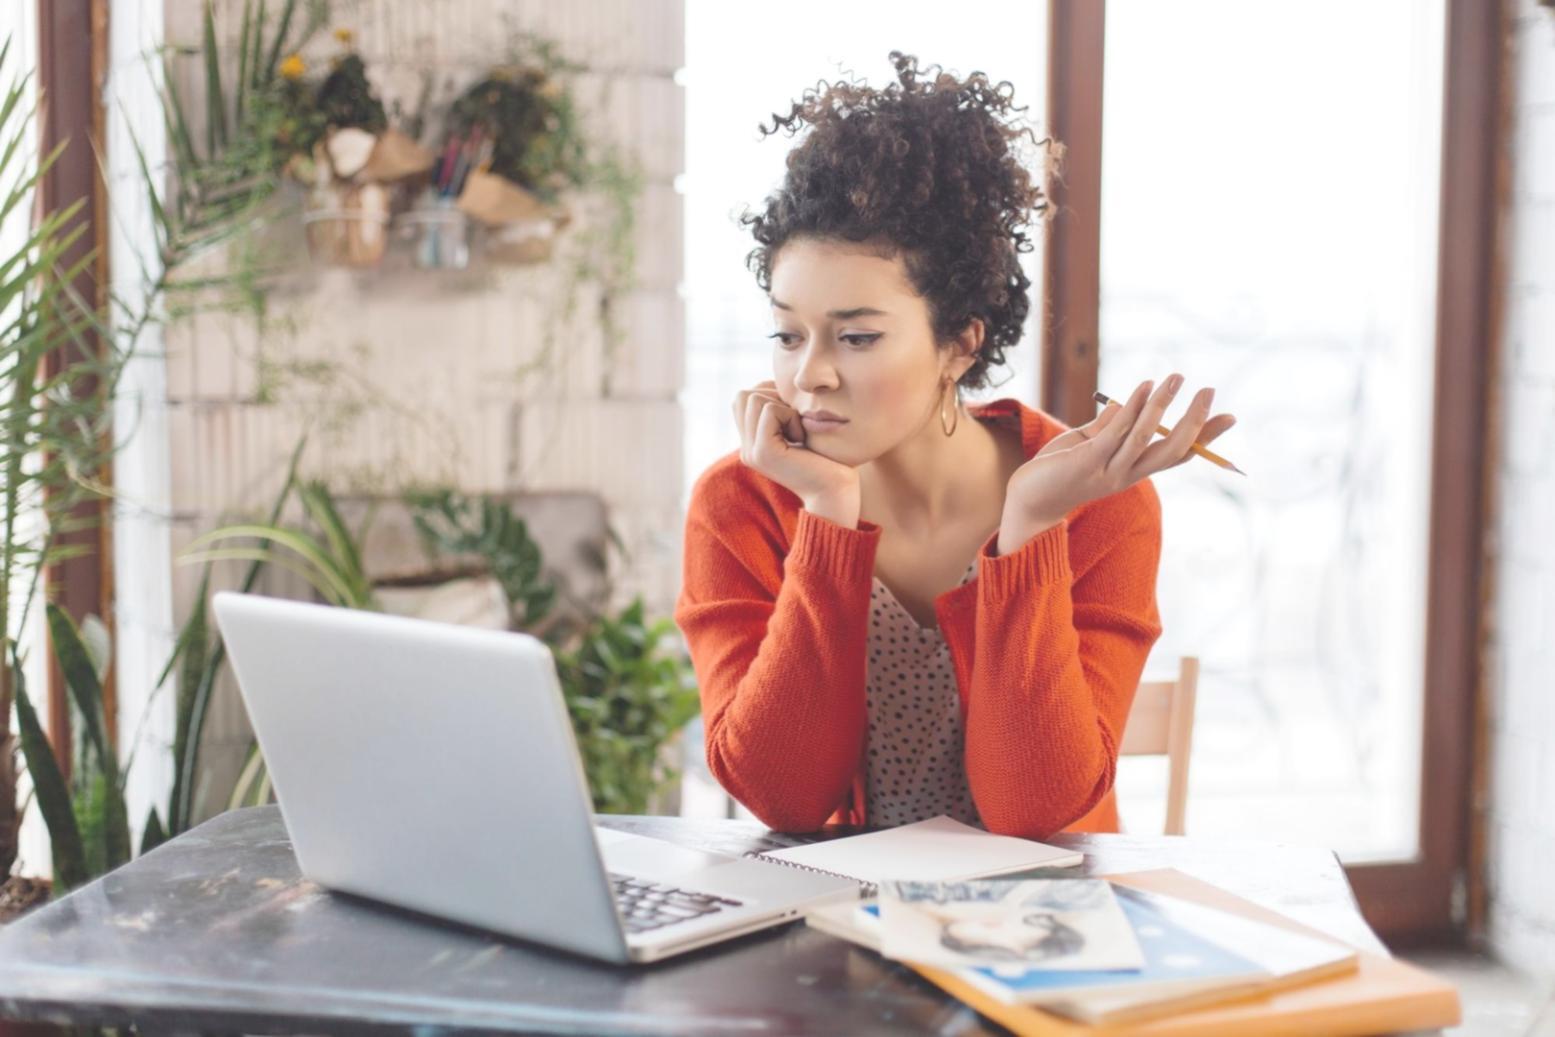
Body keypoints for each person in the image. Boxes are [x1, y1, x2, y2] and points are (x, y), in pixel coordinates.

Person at [673, 52, 1237, 839]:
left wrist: (1032, 527)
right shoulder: (743, 501)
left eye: (858, 336)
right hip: (834, 936)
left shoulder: (1096, 504)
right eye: (787, 332)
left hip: (1046, 940)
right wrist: (827, 516)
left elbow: (1033, 810)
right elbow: (784, 797)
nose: (810, 376)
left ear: (959, 345)